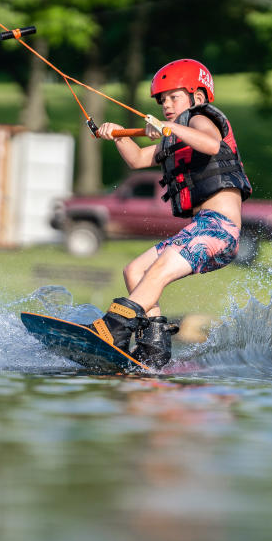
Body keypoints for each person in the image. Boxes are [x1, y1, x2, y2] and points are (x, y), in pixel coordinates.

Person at [93, 58, 252, 369]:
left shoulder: (201, 117)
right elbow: (138, 159)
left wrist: (170, 126)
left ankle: (114, 327)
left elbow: (210, 143)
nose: (166, 104)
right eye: (161, 99)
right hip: (198, 229)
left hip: (220, 230)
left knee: (161, 267)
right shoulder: (175, 137)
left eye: (173, 96)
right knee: (135, 270)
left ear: (198, 96)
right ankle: (154, 346)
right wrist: (118, 136)